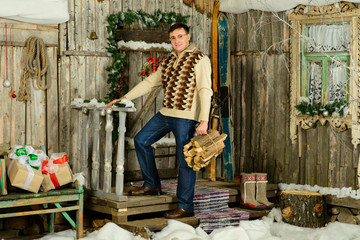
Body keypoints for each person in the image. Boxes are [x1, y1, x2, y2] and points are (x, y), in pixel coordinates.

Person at [107, 23, 212, 219]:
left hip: (186, 117)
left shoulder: (200, 58)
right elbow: (150, 82)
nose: (176, 41)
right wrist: (125, 98)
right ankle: (152, 185)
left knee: (185, 160)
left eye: (180, 36)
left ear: (188, 37)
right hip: (166, 113)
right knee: (141, 140)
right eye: (173, 37)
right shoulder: (170, 59)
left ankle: (185, 206)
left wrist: (203, 120)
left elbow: (205, 90)